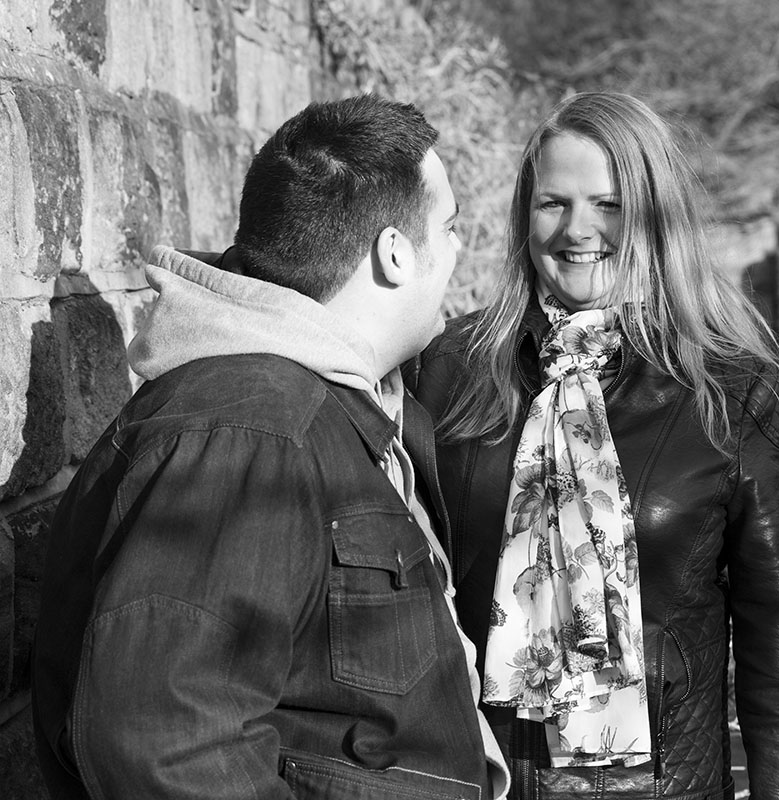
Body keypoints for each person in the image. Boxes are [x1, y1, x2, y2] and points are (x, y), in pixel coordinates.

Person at [32, 94, 509, 800]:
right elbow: (166, 745)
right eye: (450, 227)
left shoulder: (316, 405)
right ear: (395, 254)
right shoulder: (246, 430)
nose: (459, 251)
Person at [406, 92, 779, 799]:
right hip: (476, 771)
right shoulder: (451, 367)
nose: (579, 230)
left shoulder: (727, 390)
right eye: (553, 204)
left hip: (661, 782)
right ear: (523, 216)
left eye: (609, 204)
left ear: (656, 215)